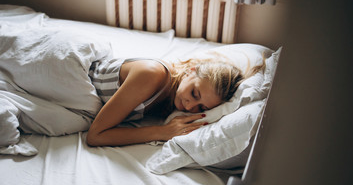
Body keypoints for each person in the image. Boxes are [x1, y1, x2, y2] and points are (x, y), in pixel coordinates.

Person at [86, 55, 264, 147]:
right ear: (191, 71)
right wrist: (162, 132)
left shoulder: (172, 100)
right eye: (194, 94)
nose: (189, 106)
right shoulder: (152, 75)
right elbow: (95, 136)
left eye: (201, 107)